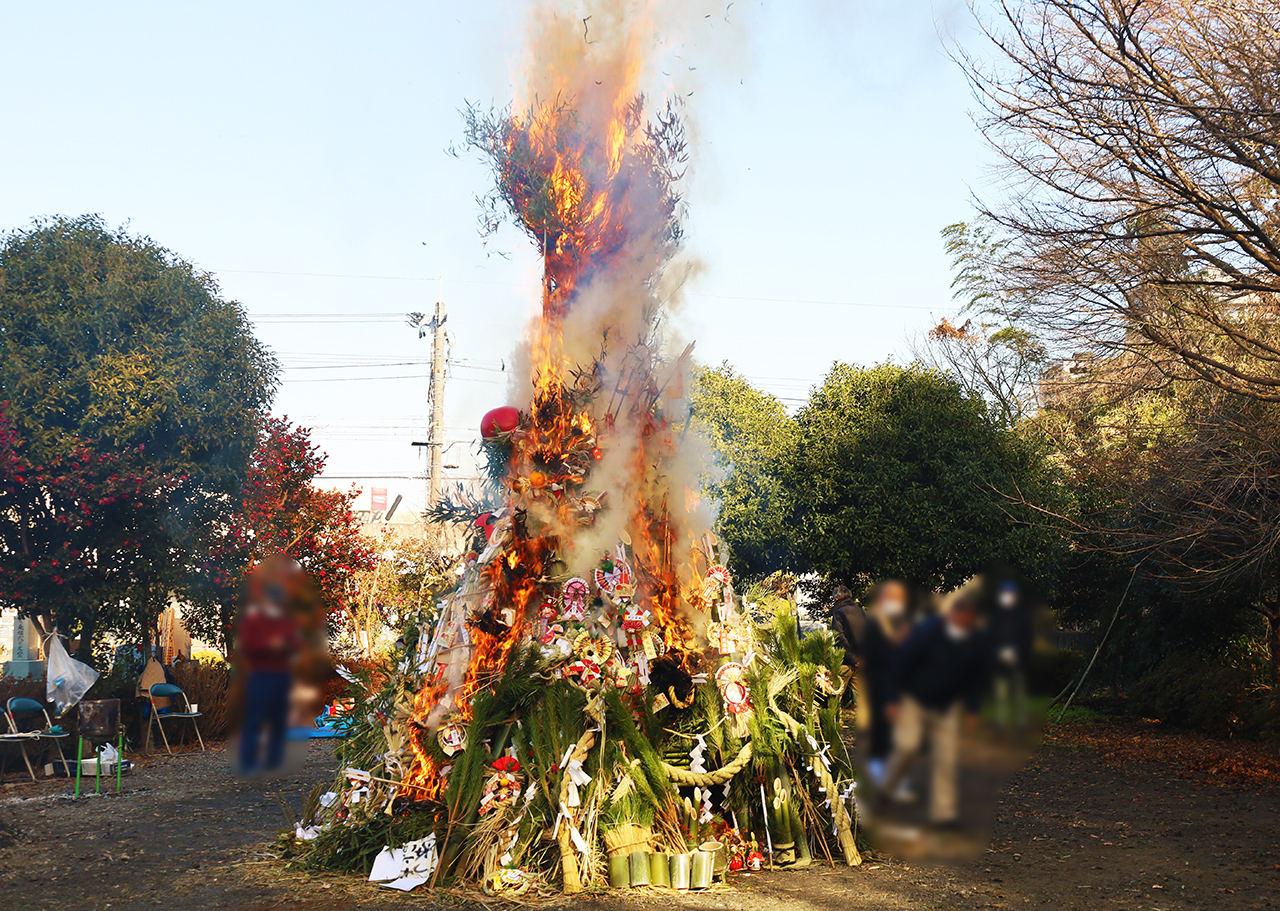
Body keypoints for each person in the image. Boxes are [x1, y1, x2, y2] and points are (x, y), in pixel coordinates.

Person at [881, 587, 989, 828]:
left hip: (946, 705)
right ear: (953, 615)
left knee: (947, 757)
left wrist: (972, 710)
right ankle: (887, 792)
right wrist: (891, 700)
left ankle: (944, 815)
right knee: (907, 747)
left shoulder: (975, 640)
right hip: (914, 700)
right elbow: (900, 663)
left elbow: (975, 677)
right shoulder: (927, 630)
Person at [234, 560, 300, 775]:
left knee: (279, 718)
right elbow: (248, 647)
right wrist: (271, 645)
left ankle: (274, 761)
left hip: (283, 674)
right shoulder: (254, 620)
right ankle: (248, 762)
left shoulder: (287, 621)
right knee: (255, 717)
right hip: (260, 674)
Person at [860, 579, 914, 787]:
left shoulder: (901, 620)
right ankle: (883, 777)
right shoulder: (876, 623)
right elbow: (876, 656)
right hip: (883, 685)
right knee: (884, 731)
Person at [988, 578, 1033, 738]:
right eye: (1006, 594)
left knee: (1019, 695)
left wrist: (1016, 653)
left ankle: (1021, 727)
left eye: (1011, 594)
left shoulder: (1022, 615)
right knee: (1001, 696)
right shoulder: (996, 615)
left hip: (1018, 662)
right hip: (999, 663)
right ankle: (1000, 727)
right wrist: (999, 653)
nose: (1008, 596)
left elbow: (1027, 638)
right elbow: (991, 637)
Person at [830, 585, 867, 669]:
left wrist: (854, 659)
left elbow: (839, 638)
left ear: (836, 599)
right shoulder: (863, 612)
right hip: (863, 663)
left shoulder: (838, 613)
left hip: (846, 663)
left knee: (840, 682)